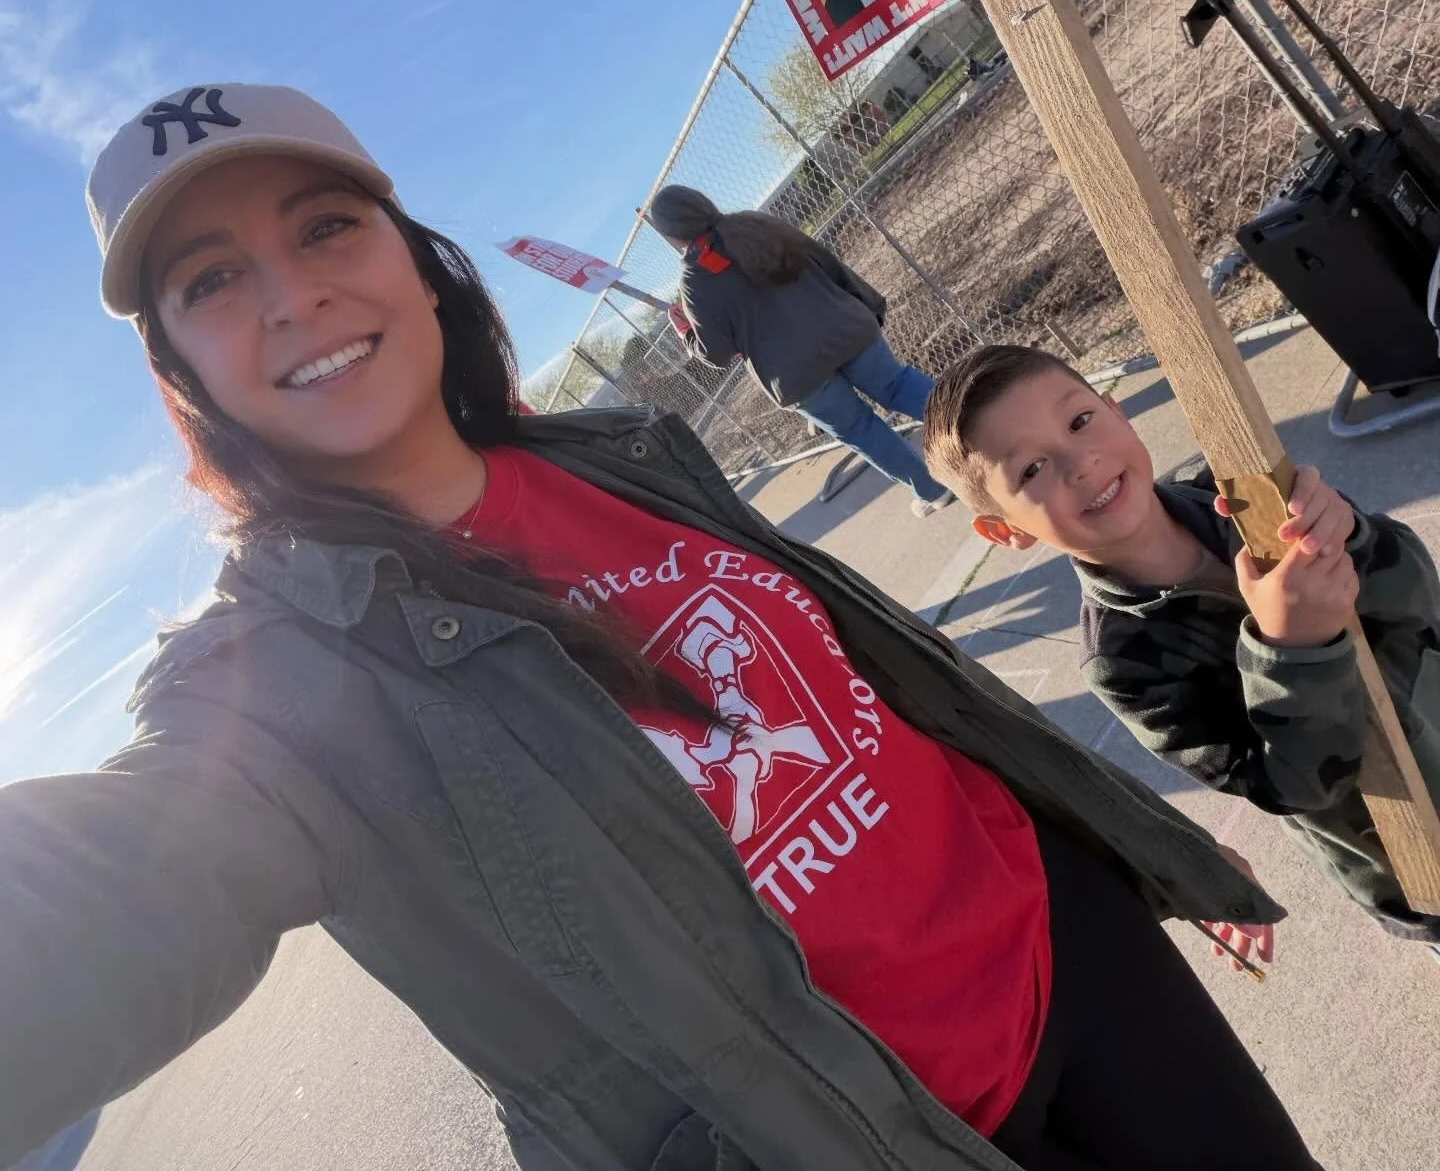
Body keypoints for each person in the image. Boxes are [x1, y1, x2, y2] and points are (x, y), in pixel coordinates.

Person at [0, 84, 1322, 1171]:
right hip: (861, 1133)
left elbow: (897, 700)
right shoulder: (272, 683)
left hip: (1067, 946)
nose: (290, 297)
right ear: (182, 372)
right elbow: (111, 893)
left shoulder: (620, 448)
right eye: (213, 280)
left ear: (415, 258)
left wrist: (1120, 835)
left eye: (327, 228)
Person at [922, 341, 1440, 959]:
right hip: (1403, 846)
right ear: (1005, 531)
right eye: (1031, 470)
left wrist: (1352, 535)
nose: (1079, 461)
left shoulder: (1235, 486)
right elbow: (1292, 785)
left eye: (1081, 420)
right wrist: (1292, 647)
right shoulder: (1121, 663)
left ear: (1118, 410)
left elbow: (1418, 596)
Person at [648, 184, 957, 519]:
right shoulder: (757, 223)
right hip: (844, 329)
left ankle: (933, 490)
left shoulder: (695, 278)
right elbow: (827, 262)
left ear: (671, 235)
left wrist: (684, 330)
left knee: (861, 431)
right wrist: (869, 304)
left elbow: (716, 353)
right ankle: (983, 431)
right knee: (897, 386)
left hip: (797, 376)